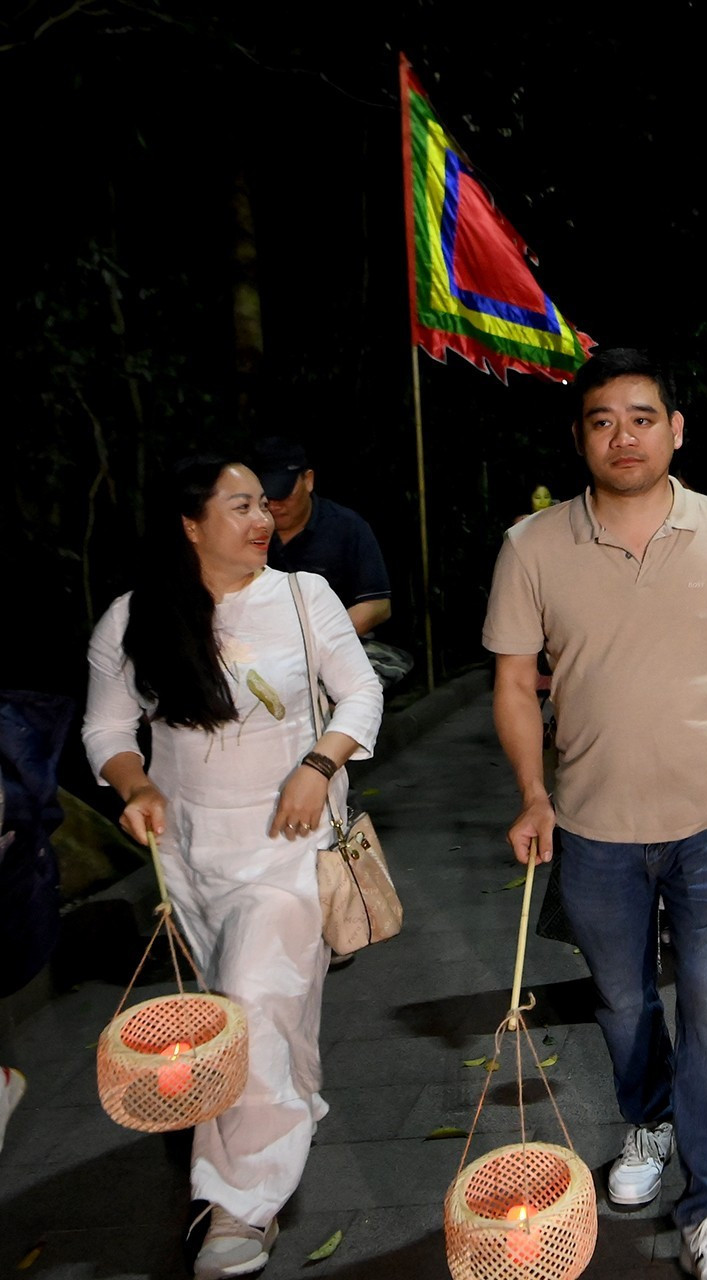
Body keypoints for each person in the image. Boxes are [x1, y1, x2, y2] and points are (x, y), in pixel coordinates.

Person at [484, 348, 707, 1280]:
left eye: (642, 417)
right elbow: (513, 684)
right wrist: (533, 794)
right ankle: (650, 1120)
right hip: (592, 826)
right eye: (602, 421)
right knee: (622, 1002)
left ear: (676, 429)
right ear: (580, 437)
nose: (624, 436)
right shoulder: (531, 545)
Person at [82, 456, 382, 1277]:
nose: (263, 520)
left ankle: (237, 1207)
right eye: (241, 506)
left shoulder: (303, 595)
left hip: (290, 839)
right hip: (190, 852)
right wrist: (137, 786)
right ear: (190, 524)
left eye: (264, 505)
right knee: (261, 1003)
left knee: (247, 1005)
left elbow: (361, 693)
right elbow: (106, 729)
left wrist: (316, 767)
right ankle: (291, 1102)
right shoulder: (133, 617)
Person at [252, 439, 393, 638]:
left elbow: (377, 605)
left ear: (308, 480)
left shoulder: (346, 527)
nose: (274, 505)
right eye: (267, 497)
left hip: (335, 643)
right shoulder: (247, 529)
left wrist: (320, 642)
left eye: (284, 493)